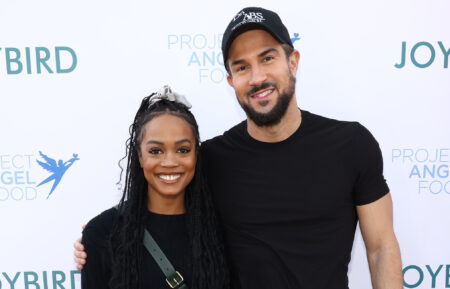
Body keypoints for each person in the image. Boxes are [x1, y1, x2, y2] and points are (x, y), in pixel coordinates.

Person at [75, 7, 402, 289]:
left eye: (268, 58)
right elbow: (161, 211)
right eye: (242, 67)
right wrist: (100, 238)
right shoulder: (213, 159)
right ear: (231, 80)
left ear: (293, 61)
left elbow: (381, 246)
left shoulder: (351, 145)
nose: (257, 76)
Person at [80, 86, 229, 289]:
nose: (169, 162)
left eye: (183, 150)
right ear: (140, 156)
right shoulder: (103, 232)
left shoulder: (223, 230)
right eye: (156, 151)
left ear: (196, 154)